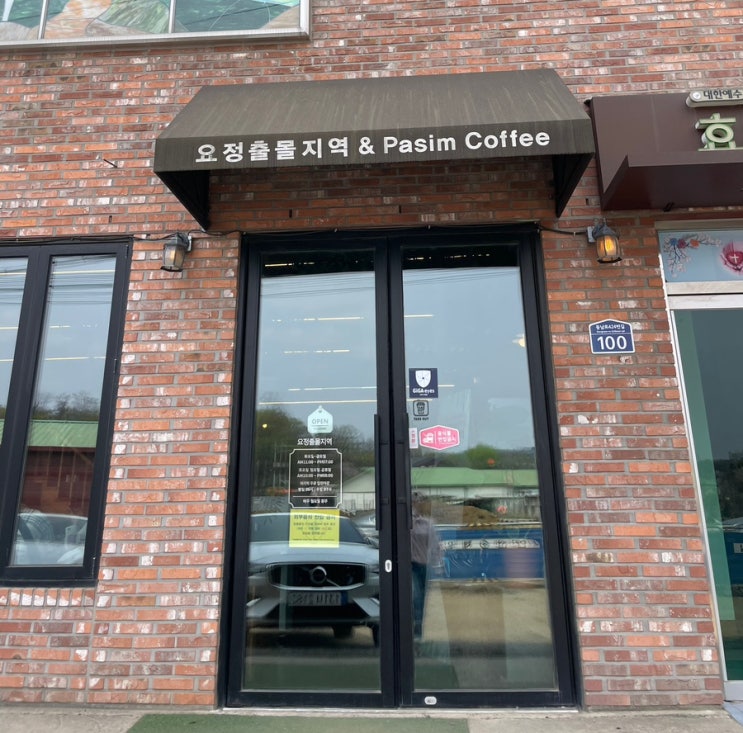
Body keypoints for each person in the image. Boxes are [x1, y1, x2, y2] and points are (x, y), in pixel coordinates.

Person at [410, 492, 442, 640]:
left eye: (418, 501)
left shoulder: (428, 524)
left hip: (423, 564)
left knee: (421, 598)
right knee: (415, 596)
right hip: (408, 565)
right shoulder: (405, 523)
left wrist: (437, 563)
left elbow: (434, 545)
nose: (416, 504)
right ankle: (411, 627)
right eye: (413, 501)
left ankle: (418, 628)